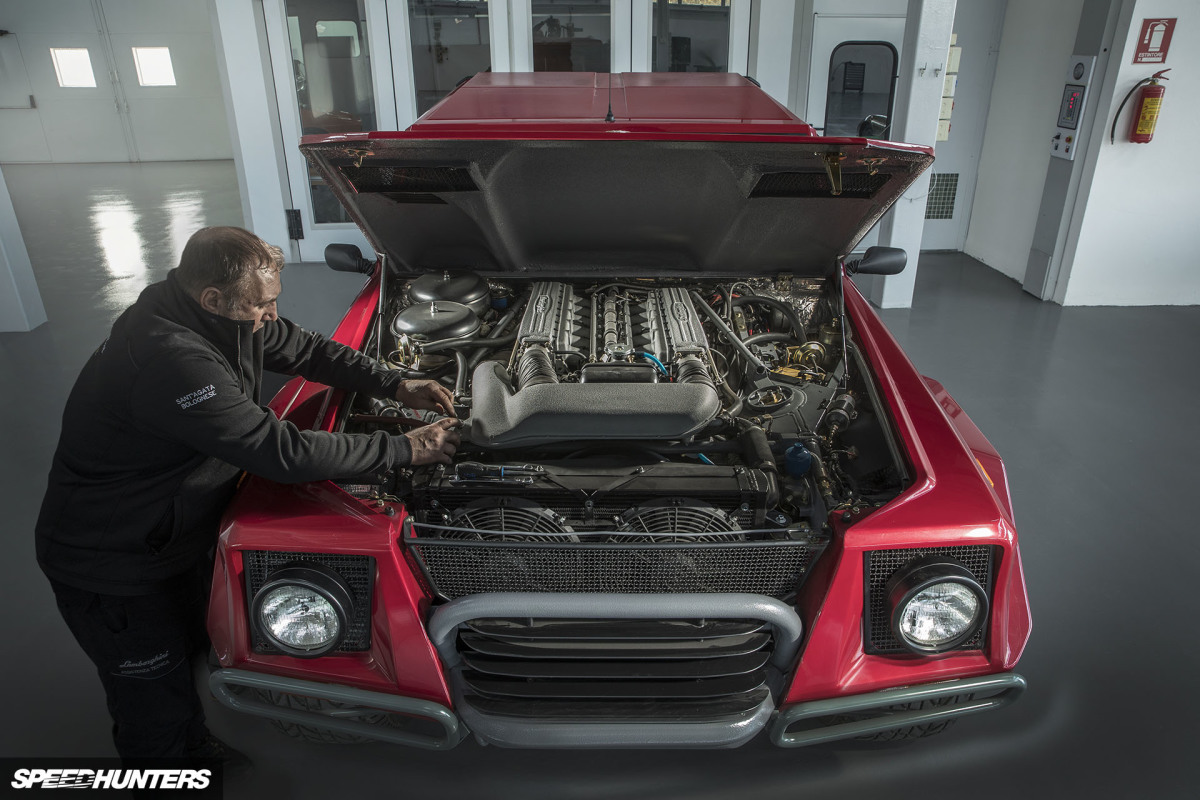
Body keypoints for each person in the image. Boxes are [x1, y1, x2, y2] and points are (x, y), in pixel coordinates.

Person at [35, 226, 460, 762]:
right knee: (151, 695)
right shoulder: (170, 356)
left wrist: (393, 382)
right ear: (213, 298)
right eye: (263, 303)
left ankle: (194, 745)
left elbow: (303, 348)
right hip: (111, 560)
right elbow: (278, 452)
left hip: (168, 534)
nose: (272, 313)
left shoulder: (207, 312)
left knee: (186, 653)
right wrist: (402, 450)